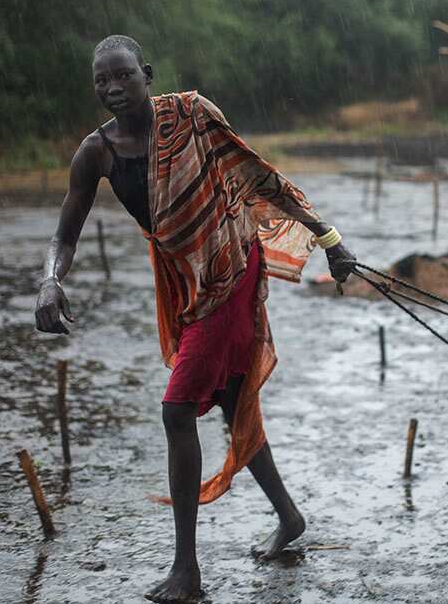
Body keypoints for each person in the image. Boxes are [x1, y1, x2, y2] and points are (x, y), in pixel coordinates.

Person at [34, 34, 356, 603]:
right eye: (101, 80)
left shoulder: (192, 116)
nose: (111, 88)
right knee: (233, 403)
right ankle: (289, 516)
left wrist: (327, 237)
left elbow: (257, 174)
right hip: (184, 280)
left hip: (231, 267)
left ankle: (186, 569)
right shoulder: (97, 153)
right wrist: (50, 280)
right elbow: (66, 233)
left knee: (177, 410)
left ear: (147, 73)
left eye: (122, 76)